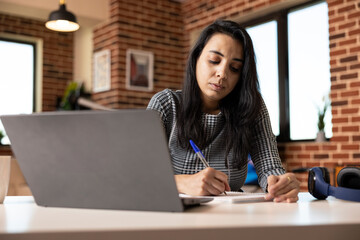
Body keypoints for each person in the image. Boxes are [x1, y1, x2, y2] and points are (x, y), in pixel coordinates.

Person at [147, 19, 300, 202]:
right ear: (196, 58)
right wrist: (181, 182)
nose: (222, 73)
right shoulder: (166, 104)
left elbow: (270, 168)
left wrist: (281, 183)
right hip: (173, 214)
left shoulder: (251, 107)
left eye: (234, 68)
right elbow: (139, 172)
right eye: (214, 60)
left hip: (231, 216)